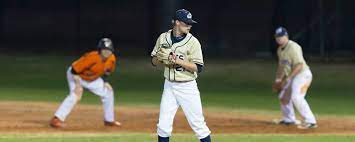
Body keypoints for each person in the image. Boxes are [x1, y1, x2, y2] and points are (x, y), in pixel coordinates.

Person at [151, 9, 212, 142]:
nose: (189, 25)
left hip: (187, 86)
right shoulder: (163, 38)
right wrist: (160, 58)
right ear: (177, 22)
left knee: (198, 125)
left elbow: (198, 67)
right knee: (163, 125)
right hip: (169, 86)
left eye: (190, 23)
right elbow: (154, 61)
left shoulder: (193, 42)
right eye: (186, 23)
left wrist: (176, 60)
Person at [50, 38, 121, 128]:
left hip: (92, 78)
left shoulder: (112, 59)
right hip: (76, 75)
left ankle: (109, 120)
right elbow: (74, 70)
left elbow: (107, 71)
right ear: (100, 50)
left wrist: (105, 82)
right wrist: (78, 86)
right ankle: (56, 119)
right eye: (104, 50)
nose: (107, 52)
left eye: (109, 50)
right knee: (75, 95)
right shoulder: (92, 57)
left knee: (108, 92)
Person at [272, 27, 317, 129]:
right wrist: (278, 80)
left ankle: (311, 121)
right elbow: (281, 66)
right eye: (277, 37)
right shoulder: (280, 50)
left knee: (296, 97)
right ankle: (289, 119)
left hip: (302, 75)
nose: (279, 39)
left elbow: (299, 65)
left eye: (281, 36)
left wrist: (288, 79)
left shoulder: (293, 47)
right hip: (293, 76)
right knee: (283, 96)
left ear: (286, 36)